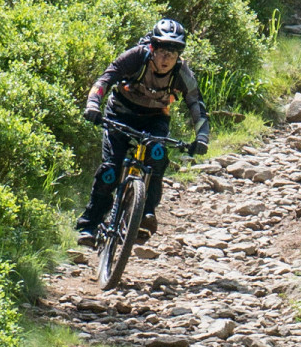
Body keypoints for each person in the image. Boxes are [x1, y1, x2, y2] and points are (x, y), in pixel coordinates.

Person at [76, 17, 210, 243]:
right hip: (120, 113)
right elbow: (104, 80)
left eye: (173, 53)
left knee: (157, 156)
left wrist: (202, 137)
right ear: (152, 48)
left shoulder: (182, 72)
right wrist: (93, 106)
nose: (167, 59)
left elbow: (196, 103)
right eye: (162, 52)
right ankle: (89, 225)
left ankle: (145, 214)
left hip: (155, 118)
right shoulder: (136, 57)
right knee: (110, 171)